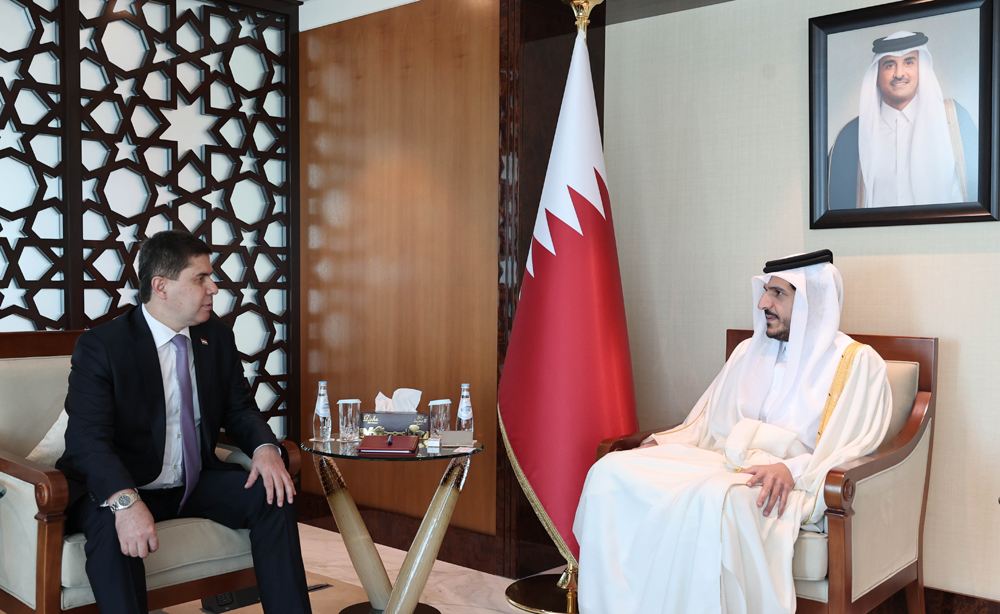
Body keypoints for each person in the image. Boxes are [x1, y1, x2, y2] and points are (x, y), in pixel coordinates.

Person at [573, 250, 892, 614]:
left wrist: (793, 469)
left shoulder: (856, 363)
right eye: (765, 291)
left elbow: (852, 445)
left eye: (778, 294)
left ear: (811, 301)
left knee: (714, 499)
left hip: (788, 482)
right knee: (610, 471)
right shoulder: (748, 351)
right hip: (724, 461)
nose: (763, 303)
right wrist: (661, 444)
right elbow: (707, 424)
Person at [55, 230, 312, 614]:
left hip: (192, 481)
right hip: (124, 483)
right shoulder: (104, 347)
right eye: (200, 278)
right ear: (160, 286)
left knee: (272, 495)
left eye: (211, 276)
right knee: (111, 528)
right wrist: (125, 502)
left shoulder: (216, 338)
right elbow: (86, 439)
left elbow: (240, 408)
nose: (214, 288)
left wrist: (264, 448)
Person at [829, 31, 978, 209]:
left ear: (921, 69)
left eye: (908, 63)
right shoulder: (852, 135)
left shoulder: (953, 120)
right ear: (876, 76)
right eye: (889, 65)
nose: (899, 74)